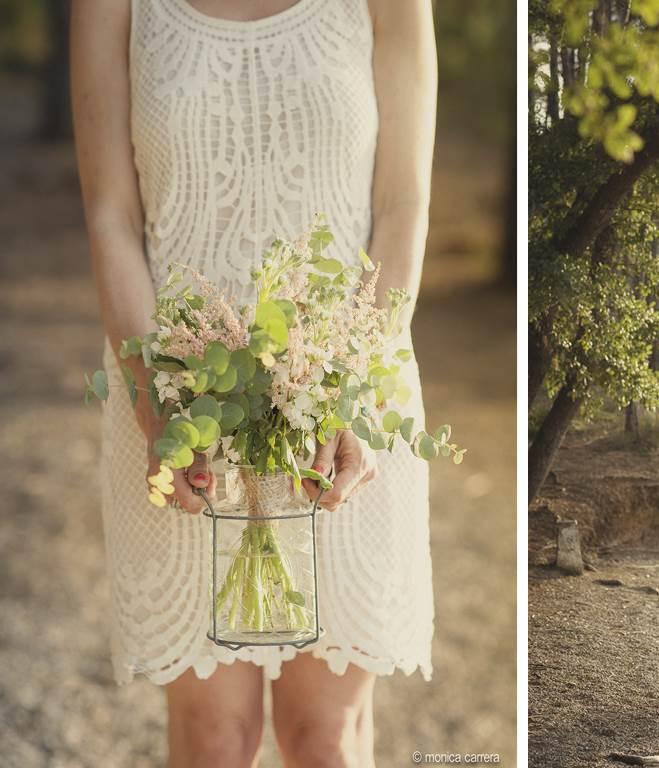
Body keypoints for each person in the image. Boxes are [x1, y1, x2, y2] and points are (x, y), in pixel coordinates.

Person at [71, 1, 437, 764]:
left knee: (325, 738)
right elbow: (111, 213)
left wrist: (353, 395)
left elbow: (403, 205)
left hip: (345, 392)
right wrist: (159, 415)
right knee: (213, 738)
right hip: (177, 400)